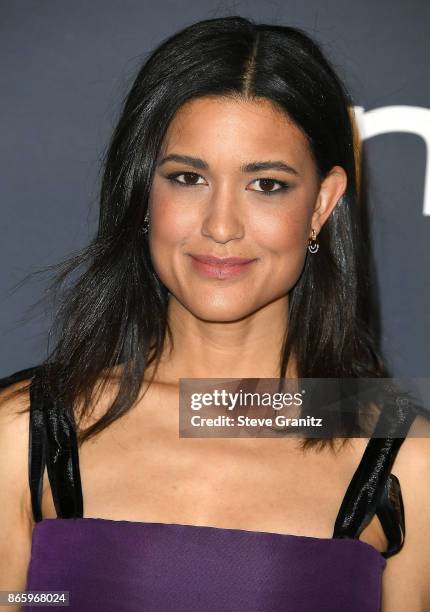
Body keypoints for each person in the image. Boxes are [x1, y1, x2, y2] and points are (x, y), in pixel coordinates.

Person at [0, 14, 429, 612]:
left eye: (268, 185)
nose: (220, 226)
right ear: (143, 193)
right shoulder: (24, 433)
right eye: (187, 177)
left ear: (322, 203)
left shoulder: (406, 456)